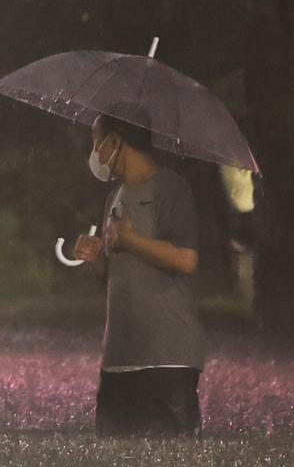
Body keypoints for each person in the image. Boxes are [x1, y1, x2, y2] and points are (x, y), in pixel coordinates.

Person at [60, 115, 206, 436]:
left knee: (168, 465)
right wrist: (97, 258)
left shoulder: (170, 188)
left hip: (167, 358)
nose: (95, 152)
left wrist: (131, 241)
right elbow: (116, 274)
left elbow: (186, 259)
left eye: (96, 140)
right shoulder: (115, 196)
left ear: (115, 143)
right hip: (120, 357)